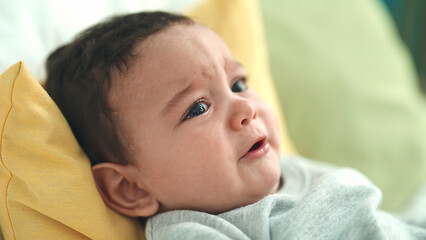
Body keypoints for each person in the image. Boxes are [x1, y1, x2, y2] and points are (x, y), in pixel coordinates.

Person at [45, 11, 426, 239]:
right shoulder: (195, 231)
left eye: (238, 84)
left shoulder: (293, 172)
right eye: (197, 108)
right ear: (130, 187)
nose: (245, 107)